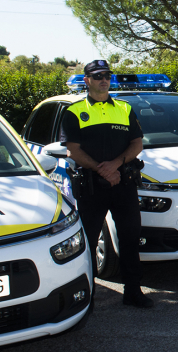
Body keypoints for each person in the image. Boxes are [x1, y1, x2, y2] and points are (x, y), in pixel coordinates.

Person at [62, 60, 152, 308]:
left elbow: (137, 144)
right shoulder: (73, 111)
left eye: (107, 76)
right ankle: (87, 296)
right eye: (98, 75)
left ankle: (133, 291)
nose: (104, 79)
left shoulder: (124, 108)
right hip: (92, 187)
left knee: (130, 237)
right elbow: (73, 151)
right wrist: (103, 169)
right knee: (88, 242)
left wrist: (115, 165)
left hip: (123, 183)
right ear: (87, 80)